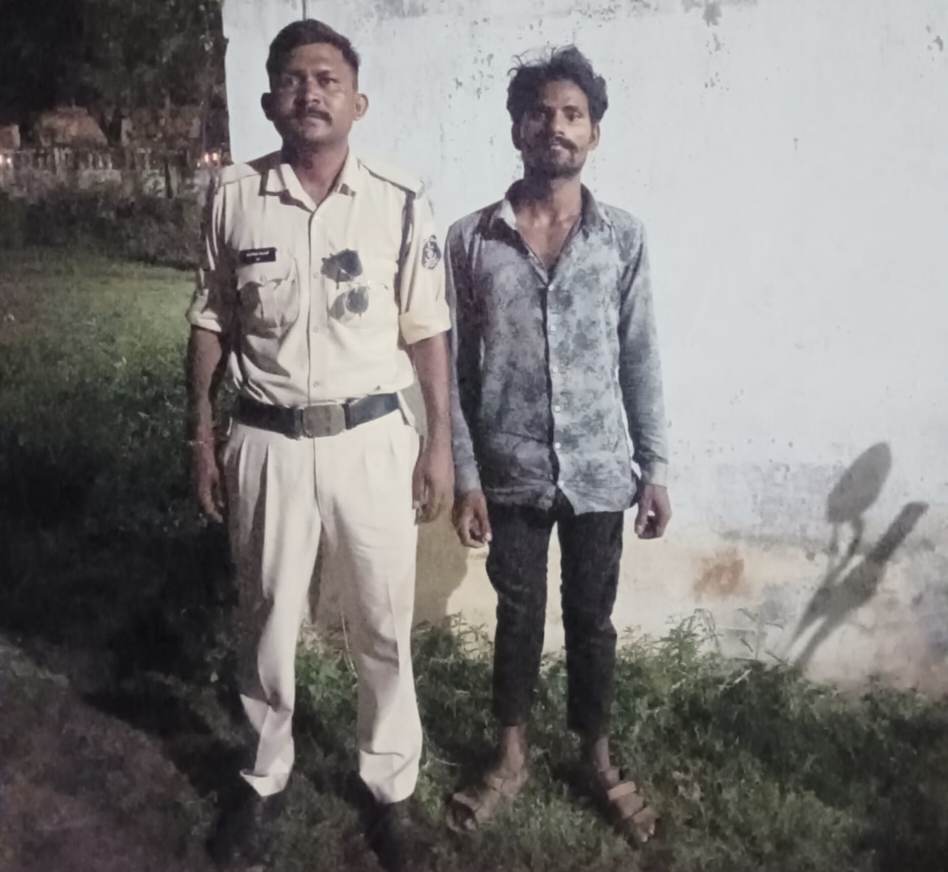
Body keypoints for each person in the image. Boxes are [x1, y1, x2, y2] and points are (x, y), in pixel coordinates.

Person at [185, 19, 453, 869]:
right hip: (267, 442)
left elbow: (427, 327)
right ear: (270, 101)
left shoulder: (398, 199)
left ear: (357, 101)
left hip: (371, 439)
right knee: (267, 619)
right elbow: (210, 319)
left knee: (382, 621)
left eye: (328, 78)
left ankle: (390, 787)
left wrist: (440, 443)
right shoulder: (233, 196)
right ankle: (264, 776)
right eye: (294, 79)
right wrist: (201, 435)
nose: (311, 93)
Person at [445, 46, 671, 845]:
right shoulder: (472, 240)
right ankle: (510, 757)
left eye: (573, 114)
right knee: (517, 616)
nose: (557, 127)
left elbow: (640, 356)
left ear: (594, 133)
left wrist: (655, 466)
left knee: (592, 619)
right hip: (510, 471)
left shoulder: (622, 239)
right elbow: (453, 372)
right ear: (518, 129)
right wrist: (465, 475)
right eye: (541, 113)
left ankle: (597, 758)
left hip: (602, 471)